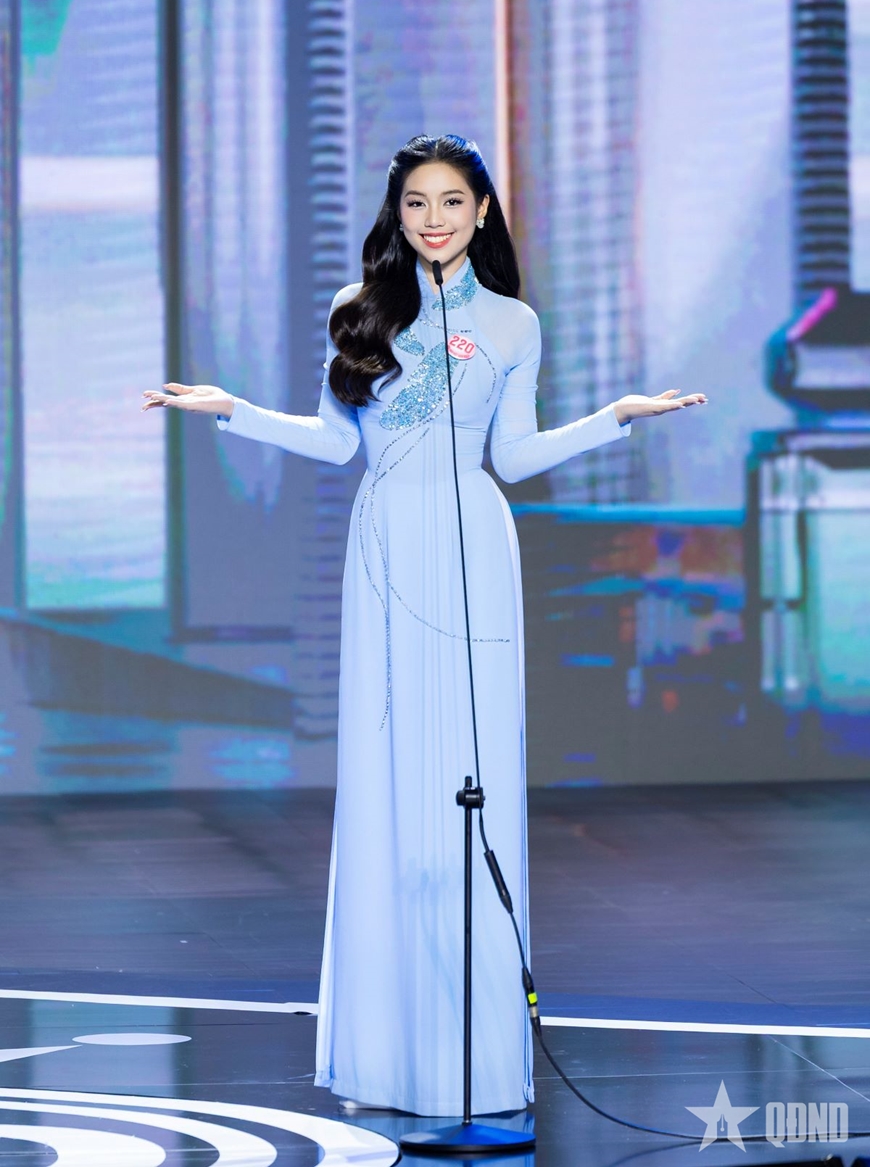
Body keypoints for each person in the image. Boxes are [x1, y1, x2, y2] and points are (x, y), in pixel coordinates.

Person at [143, 134, 706, 1117]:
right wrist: (234, 409)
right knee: (393, 783)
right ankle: (398, 1056)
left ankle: (477, 1058)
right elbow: (335, 444)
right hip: (385, 549)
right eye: (416, 202)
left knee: (472, 781)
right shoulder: (358, 310)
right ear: (396, 213)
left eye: (451, 201)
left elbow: (515, 458)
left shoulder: (514, 323)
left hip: (476, 550)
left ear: (482, 210)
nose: (433, 218)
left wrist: (615, 415)